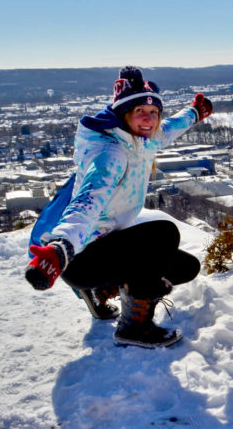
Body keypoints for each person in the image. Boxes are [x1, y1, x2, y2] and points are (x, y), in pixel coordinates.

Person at [25, 66, 213, 348]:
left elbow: (169, 129)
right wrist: (60, 248)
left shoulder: (141, 138)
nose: (149, 119)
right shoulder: (111, 154)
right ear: (124, 114)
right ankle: (133, 328)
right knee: (163, 234)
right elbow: (87, 203)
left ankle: (102, 288)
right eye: (140, 111)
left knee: (185, 267)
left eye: (154, 113)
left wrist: (195, 112)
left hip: (99, 243)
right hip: (77, 254)